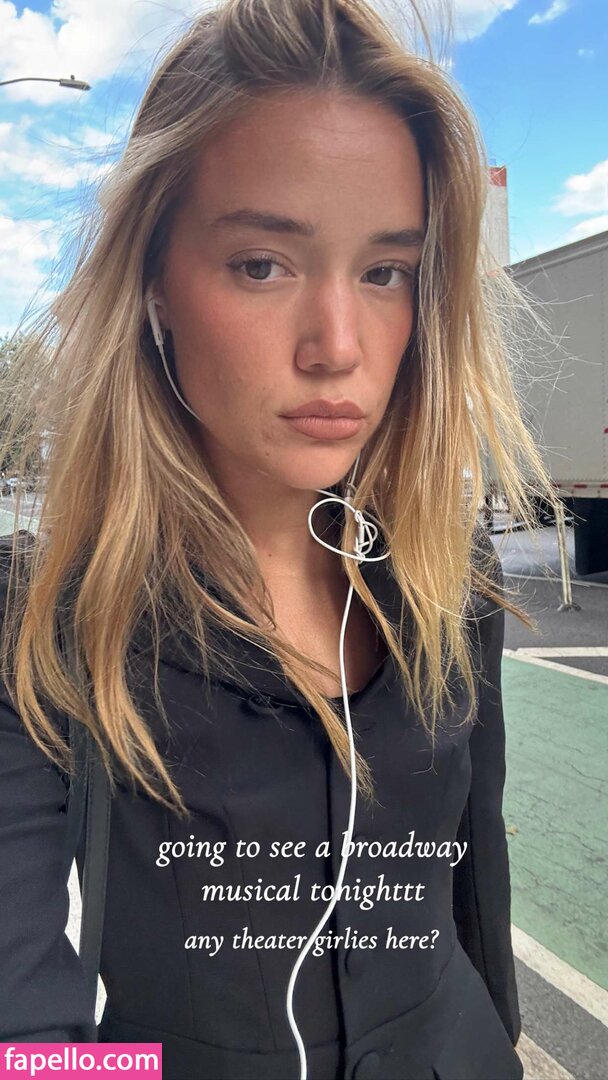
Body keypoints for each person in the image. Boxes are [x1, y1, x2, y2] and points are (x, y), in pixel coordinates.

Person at [0, 0, 555, 1077]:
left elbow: (473, 900)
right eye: (263, 264)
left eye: (385, 272)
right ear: (155, 285)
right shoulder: (45, 623)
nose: (337, 347)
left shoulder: (450, 579)